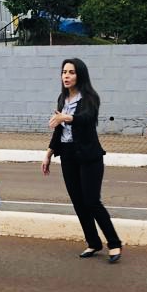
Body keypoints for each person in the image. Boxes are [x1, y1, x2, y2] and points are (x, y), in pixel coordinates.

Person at [41, 58, 123, 262]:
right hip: (68, 155)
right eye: (64, 72)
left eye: (71, 72)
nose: (66, 76)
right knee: (78, 202)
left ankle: (114, 243)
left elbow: (87, 118)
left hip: (89, 156)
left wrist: (66, 118)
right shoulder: (62, 99)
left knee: (92, 201)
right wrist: (49, 153)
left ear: (80, 75)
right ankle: (93, 242)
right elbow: (59, 130)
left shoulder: (89, 97)